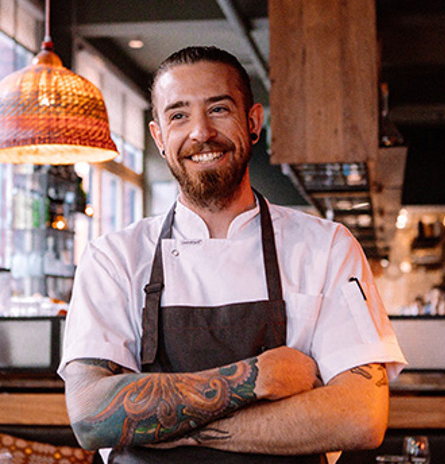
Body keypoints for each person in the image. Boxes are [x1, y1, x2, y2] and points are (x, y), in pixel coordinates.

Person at [58, 46, 406, 463]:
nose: (200, 132)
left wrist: (176, 430)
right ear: (159, 137)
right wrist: (257, 378)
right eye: (178, 115)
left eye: (219, 109)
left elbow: (360, 416)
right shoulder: (114, 258)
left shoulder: (326, 247)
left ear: (253, 122)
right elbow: (91, 416)